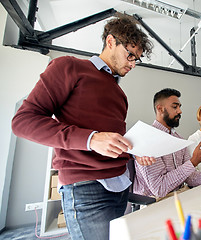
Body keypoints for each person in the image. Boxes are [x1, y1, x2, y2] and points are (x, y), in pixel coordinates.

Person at [11, 14, 155, 240]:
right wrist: (91, 138)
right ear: (110, 42)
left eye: (137, 58)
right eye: (129, 55)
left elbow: (109, 141)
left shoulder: (120, 94)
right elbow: (23, 121)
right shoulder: (69, 67)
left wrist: (133, 151)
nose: (132, 63)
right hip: (86, 188)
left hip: (119, 185)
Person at [133, 88, 201, 199]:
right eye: (175, 107)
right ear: (160, 109)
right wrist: (193, 161)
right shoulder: (146, 140)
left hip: (181, 195)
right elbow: (159, 189)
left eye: (180, 107)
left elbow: (190, 178)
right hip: (156, 202)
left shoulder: (178, 140)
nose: (180, 111)